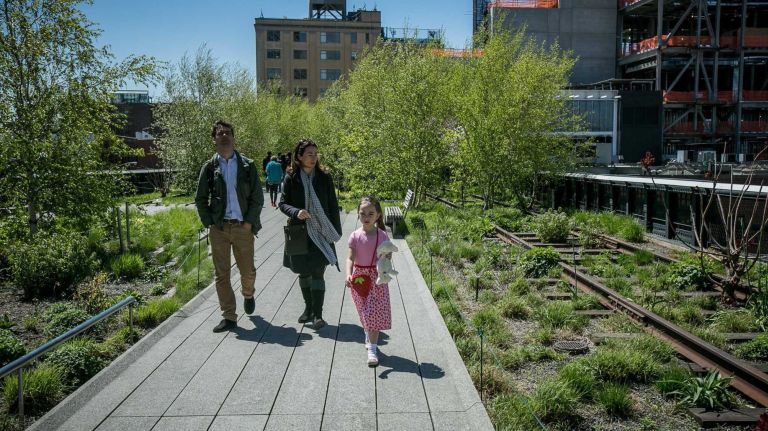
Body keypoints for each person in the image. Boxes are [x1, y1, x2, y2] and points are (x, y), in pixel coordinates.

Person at [195, 120, 264, 333]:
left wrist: (249, 223)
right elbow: (200, 199)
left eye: (227, 132)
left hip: (243, 227)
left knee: (248, 272)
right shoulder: (209, 168)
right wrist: (211, 224)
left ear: (233, 137)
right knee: (221, 274)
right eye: (219, 133)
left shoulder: (247, 165)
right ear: (214, 138)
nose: (224, 135)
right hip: (220, 229)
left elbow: (257, 197)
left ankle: (248, 293)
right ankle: (229, 316)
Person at [279, 139, 341, 329]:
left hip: (321, 231)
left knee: (318, 272)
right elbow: (282, 203)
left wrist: (335, 231)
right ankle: (308, 309)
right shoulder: (291, 178)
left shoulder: (324, 177)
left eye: (316, 154)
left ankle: (318, 314)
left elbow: (332, 205)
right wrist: (296, 212)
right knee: (304, 272)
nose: (314, 158)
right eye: (309, 154)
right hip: (300, 232)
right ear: (299, 156)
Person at [345, 195, 392, 367]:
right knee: (364, 311)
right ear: (358, 214)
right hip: (359, 279)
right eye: (362, 213)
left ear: (378, 216)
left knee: (373, 313)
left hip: (377, 278)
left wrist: (386, 258)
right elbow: (350, 258)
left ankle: (372, 349)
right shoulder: (355, 236)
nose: (366, 217)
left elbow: (387, 258)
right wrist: (348, 274)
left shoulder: (382, 236)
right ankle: (368, 332)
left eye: (370, 214)